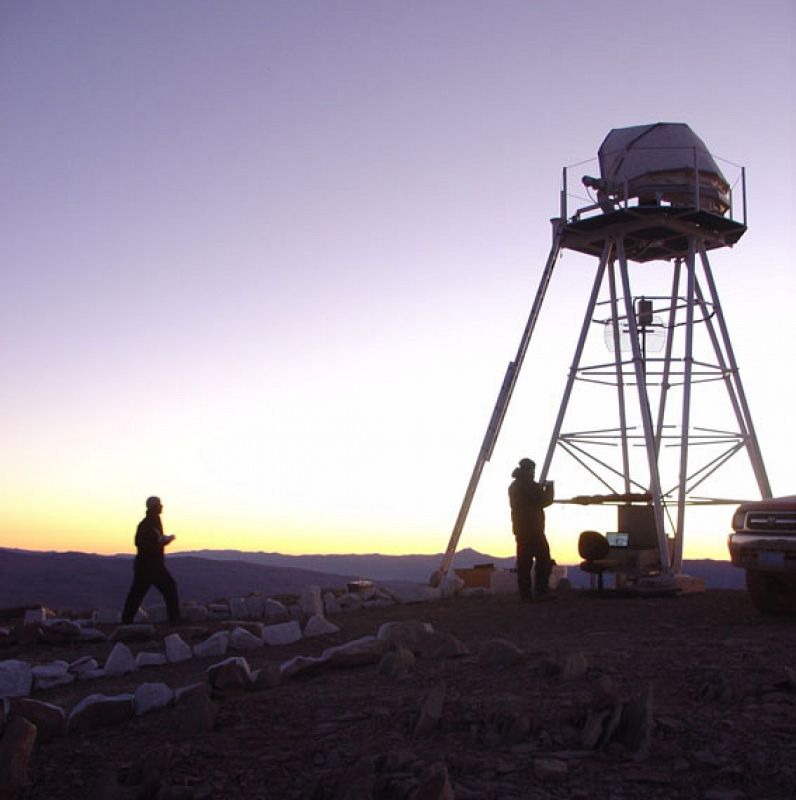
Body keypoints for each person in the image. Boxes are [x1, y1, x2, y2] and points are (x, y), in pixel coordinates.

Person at [121, 496, 181, 624]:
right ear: (154, 507)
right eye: (159, 504)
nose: (161, 506)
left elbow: (150, 542)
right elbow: (140, 543)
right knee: (167, 588)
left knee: (137, 593)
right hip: (149, 565)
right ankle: (174, 619)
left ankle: (126, 620)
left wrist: (162, 542)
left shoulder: (154, 521)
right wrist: (160, 543)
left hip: (150, 565)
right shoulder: (147, 523)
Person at [508, 458, 555, 602]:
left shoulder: (514, 486)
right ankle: (541, 591)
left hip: (520, 529)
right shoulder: (529, 485)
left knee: (524, 563)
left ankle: (525, 594)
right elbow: (545, 501)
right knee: (543, 560)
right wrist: (550, 488)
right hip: (534, 529)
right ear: (530, 470)